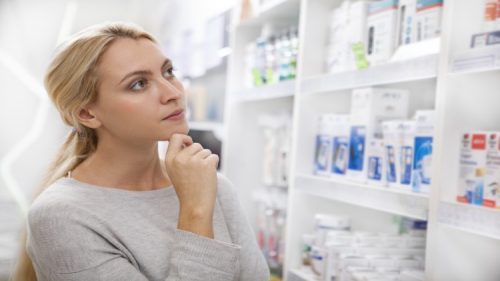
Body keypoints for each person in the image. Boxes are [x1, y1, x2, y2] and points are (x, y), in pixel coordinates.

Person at [12, 22, 270, 281]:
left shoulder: (210, 184)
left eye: (168, 72)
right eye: (138, 84)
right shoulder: (61, 217)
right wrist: (195, 211)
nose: (173, 93)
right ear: (87, 113)